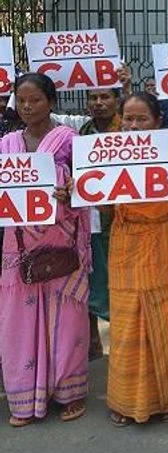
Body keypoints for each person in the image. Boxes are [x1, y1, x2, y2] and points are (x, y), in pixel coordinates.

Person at [99, 92, 168, 426]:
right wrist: (85, 188)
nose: (133, 126)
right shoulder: (110, 156)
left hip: (165, 246)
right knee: (125, 326)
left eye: (141, 119)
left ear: (158, 122)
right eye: (128, 119)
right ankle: (124, 401)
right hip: (125, 248)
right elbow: (106, 209)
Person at [0, 73, 92, 427]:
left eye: (35, 99)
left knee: (66, 320)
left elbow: (87, 188)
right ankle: (24, 397)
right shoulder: (7, 144)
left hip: (62, 240)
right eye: (21, 100)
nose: (26, 107)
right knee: (17, 321)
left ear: (50, 101)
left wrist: (71, 193)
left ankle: (69, 393)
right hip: (18, 244)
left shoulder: (69, 141)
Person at [79, 88, 122, 360]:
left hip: (123, 220)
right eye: (93, 98)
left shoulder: (128, 132)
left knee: (120, 285)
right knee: (90, 280)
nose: (99, 103)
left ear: (117, 100)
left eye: (105, 97)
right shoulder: (82, 133)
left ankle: (124, 343)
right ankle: (93, 342)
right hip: (91, 220)